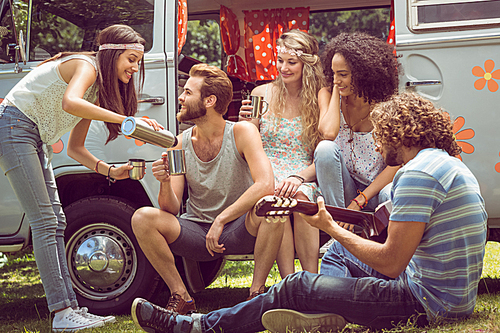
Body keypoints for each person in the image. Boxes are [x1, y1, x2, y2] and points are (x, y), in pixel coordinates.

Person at [130, 91, 487, 333]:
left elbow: (391, 262)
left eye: (381, 135)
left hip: (425, 303)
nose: (377, 144)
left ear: (401, 133)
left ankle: (195, 325)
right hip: (446, 293)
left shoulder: (417, 174)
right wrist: (337, 233)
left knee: (299, 283)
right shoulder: (444, 164)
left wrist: (329, 225)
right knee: (338, 252)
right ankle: (323, 309)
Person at [0, 24, 161, 331]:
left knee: (57, 221)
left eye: (137, 61)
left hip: (31, 136)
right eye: (131, 59)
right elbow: (69, 103)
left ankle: (72, 308)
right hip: (14, 127)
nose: (134, 68)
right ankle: (61, 313)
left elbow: (75, 148)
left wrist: (112, 171)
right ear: (112, 55)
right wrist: (126, 119)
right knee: (45, 221)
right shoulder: (86, 66)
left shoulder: (96, 89)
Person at [131, 63, 282, 315]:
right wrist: (165, 181)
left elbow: (266, 184)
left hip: (238, 228)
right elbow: (171, 207)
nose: (180, 97)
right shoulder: (178, 144)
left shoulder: (243, 132)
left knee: (273, 209)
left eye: (188, 92)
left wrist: (222, 219)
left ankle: (256, 295)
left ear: (209, 100)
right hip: (198, 232)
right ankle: (181, 296)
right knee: (142, 218)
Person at [239, 29, 324, 277]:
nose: (283, 68)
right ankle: (289, 281)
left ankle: (311, 278)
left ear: (305, 65)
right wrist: (244, 121)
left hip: (302, 172)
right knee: (277, 200)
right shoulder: (261, 94)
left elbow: (324, 155)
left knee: (300, 196)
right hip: (266, 171)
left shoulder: (319, 98)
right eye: (280, 61)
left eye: (291, 62)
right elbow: (247, 145)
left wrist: (299, 177)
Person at [315, 32, 401, 223]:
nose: (335, 80)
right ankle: (337, 229)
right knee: (325, 149)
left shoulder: (386, 106)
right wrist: (337, 90)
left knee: (392, 195)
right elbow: (328, 134)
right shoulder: (328, 95)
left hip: (378, 189)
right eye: (333, 73)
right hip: (345, 188)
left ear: (364, 74)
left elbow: (395, 165)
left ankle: (393, 247)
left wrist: (360, 200)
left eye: (343, 74)